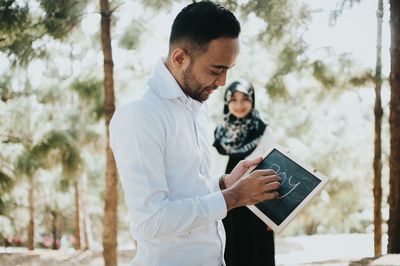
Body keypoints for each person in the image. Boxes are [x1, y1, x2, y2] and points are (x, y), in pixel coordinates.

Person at [109, 1, 280, 265]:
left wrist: (224, 183)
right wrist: (234, 197)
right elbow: (151, 221)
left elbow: (188, 189)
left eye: (228, 70)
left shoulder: (197, 105)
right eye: (216, 70)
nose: (222, 82)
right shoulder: (139, 113)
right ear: (180, 58)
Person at [213, 80, 276, 266]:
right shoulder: (219, 133)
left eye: (245, 99)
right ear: (226, 102)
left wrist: (273, 214)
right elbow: (212, 169)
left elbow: (274, 170)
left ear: (252, 101)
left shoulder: (263, 130)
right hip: (227, 204)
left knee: (257, 255)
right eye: (233, 99)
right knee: (230, 254)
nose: (239, 105)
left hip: (257, 205)